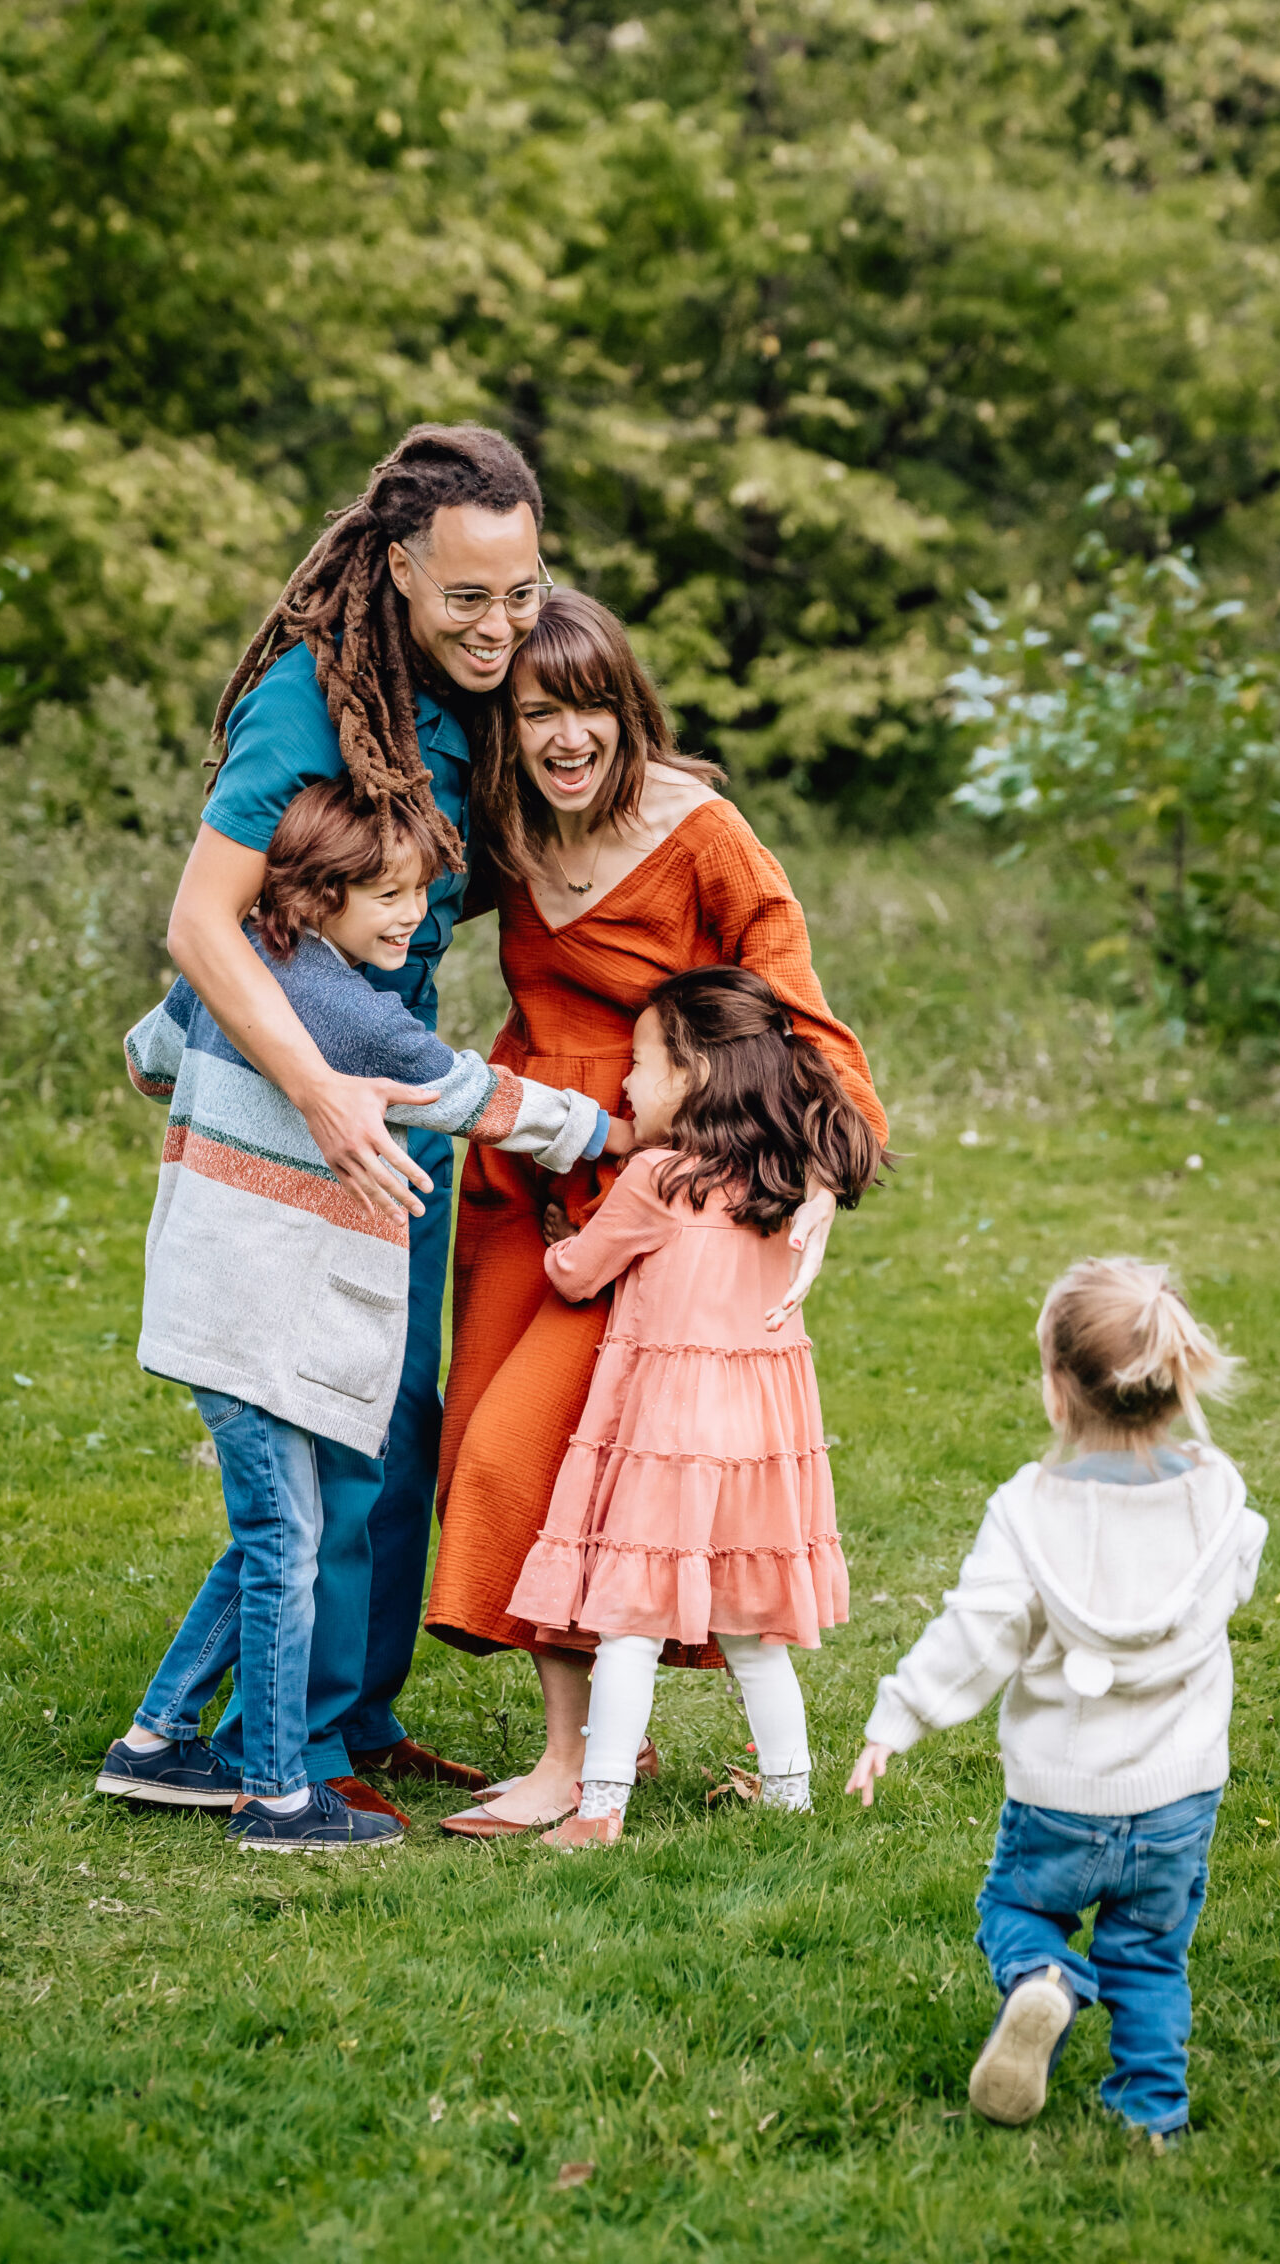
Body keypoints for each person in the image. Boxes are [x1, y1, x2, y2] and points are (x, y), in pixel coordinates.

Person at [427, 589, 889, 1838]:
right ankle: (569, 1746)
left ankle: (575, 1766)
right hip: (531, 1163)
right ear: (508, 728)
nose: (563, 737)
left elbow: (800, 1013)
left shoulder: (704, 831)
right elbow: (381, 884)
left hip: (655, 1188)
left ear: (628, 711)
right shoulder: (504, 826)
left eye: (586, 708)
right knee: (473, 1437)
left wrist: (825, 1179)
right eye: (534, 712)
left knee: (530, 1447)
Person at [94, 780, 626, 1851]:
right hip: (254, 1308)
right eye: (384, 895)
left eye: (422, 893)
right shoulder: (344, 1009)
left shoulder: (233, 964)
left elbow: (147, 1060)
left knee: (268, 1530)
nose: (411, 917)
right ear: (312, 893)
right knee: (288, 1535)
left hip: (220, 1293)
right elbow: (479, 1099)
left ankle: (155, 1741)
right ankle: (279, 1793)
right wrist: (612, 1130)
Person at [169, 423, 551, 1800]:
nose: (501, 622)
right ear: (396, 569)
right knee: (332, 1415)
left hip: (397, 1079)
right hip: (298, 1104)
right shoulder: (304, 698)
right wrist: (321, 1098)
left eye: (521, 589)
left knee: (401, 1409)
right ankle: (292, 1744)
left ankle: (359, 1716)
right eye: (467, 597)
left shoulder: (478, 681)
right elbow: (200, 923)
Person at [846, 1258, 1266, 2144]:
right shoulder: (1219, 1498)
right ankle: (1150, 2113)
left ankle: (1046, 1979)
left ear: (1055, 1392)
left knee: (1016, 1911)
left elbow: (977, 1633)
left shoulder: (1028, 1511)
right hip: (1178, 1793)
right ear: (1173, 1380)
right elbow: (1238, 1577)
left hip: (1060, 1795)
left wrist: (898, 1717)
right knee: (1150, 1955)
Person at [507, 968, 883, 1850]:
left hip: (668, 1435)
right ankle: (787, 1798)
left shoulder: (656, 1177)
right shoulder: (787, 1177)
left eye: (639, 1063)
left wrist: (561, 1242)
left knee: (628, 1624)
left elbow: (578, 1274)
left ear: (695, 1075)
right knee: (755, 1637)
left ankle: (600, 1807)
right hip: (758, 1443)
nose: (624, 1084)